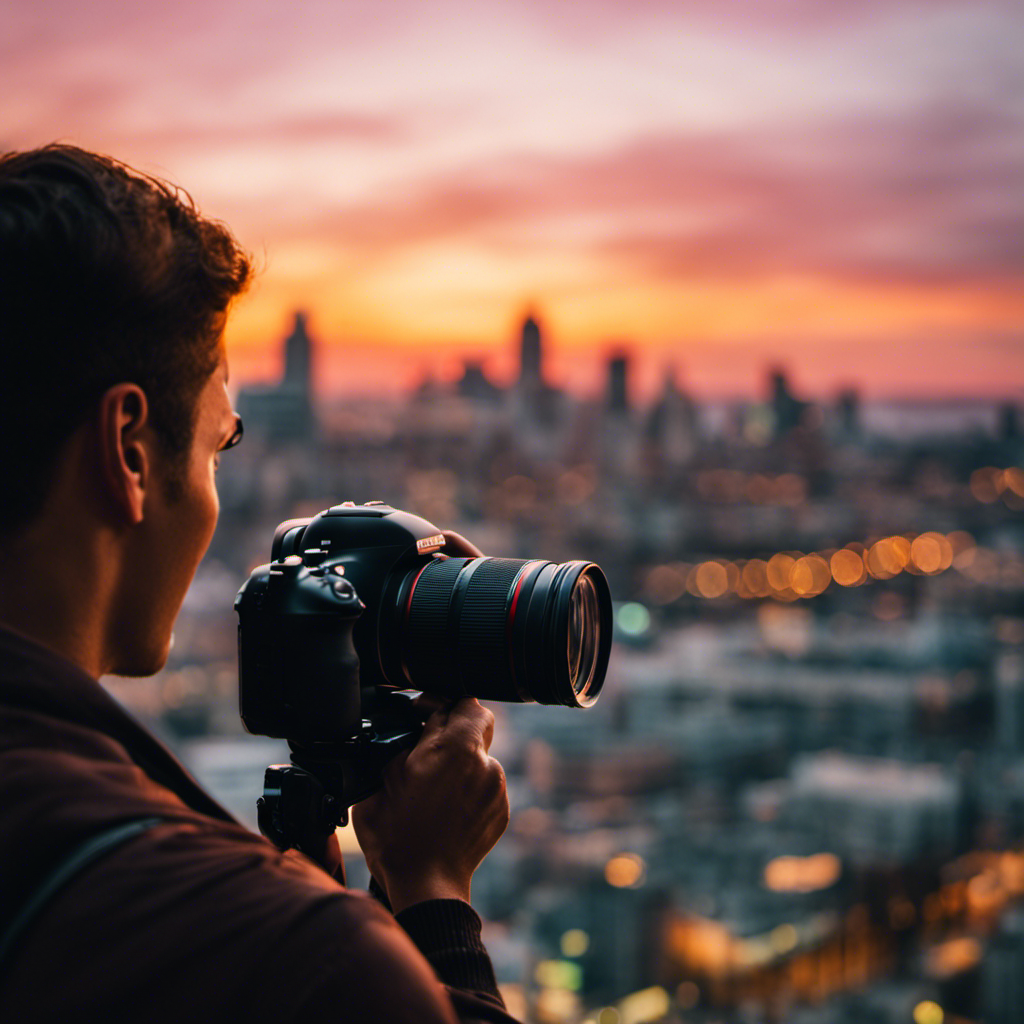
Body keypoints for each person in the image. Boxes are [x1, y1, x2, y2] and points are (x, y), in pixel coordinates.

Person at [0, 144, 518, 1022]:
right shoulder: (264, 955)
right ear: (128, 448)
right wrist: (431, 898)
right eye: (215, 447)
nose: (212, 495)